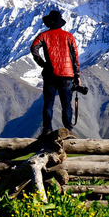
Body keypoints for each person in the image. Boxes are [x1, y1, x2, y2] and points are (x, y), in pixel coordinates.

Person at [30, 10, 81, 139]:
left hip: (50, 74)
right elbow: (75, 57)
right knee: (66, 105)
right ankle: (68, 130)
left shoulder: (43, 35)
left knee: (48, 104)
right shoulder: (69, 36)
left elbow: (34, 48)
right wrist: (77, 75)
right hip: (67, 74)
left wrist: (42, 63)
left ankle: (47, 129)